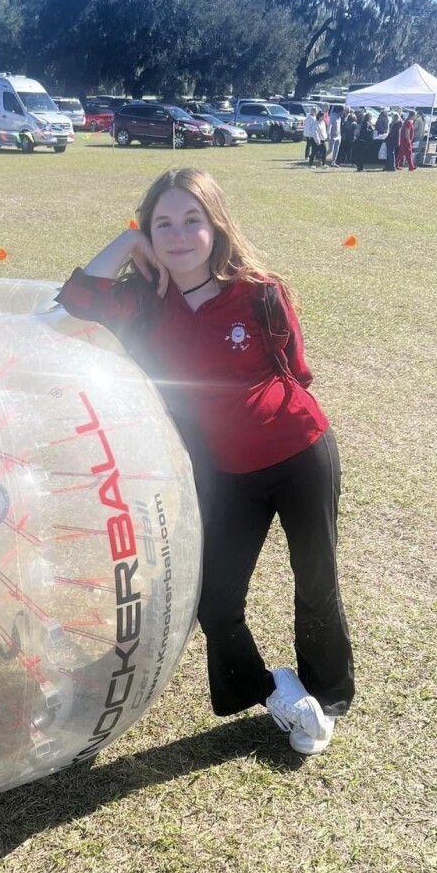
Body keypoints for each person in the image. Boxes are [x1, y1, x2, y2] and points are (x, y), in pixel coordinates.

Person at [55, 168, 355, 755]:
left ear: (216, 225)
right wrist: (128, 242)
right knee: (215, 602)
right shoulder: (143, 302)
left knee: (315, 579)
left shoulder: (260, 290)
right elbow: (77, 298)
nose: (179, 233)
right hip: (228, 476)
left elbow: (296, 369)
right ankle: (275, 690)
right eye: (162, 222)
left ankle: (328, 696)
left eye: (192, 219)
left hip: (300, 453)